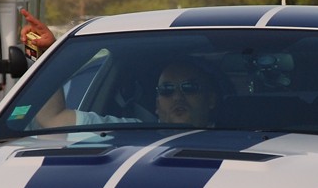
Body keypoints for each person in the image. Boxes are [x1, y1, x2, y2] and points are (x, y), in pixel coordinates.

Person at [23, 10, 220, 128]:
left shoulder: (238, 142)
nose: (177, 97)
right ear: (157, 104)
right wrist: (44, 53)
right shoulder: (128, 133)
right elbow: (52, 118)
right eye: (167, 90)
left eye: (189, 87)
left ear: (211, 99)